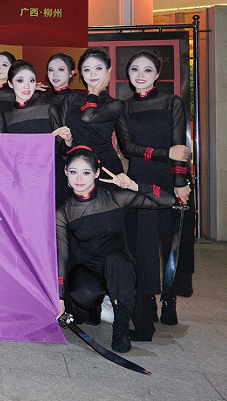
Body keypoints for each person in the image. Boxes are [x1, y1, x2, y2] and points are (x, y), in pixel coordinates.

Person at [57, 147, 184, 353]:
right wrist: (60, 298)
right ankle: (94, 308)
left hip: (120, 266)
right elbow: (62, 257)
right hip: (88, 268)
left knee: (116, 261)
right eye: (73, 172)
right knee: (83, 293)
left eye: (86, 172)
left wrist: (133, 185)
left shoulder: (114, 197)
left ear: (97, 173)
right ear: (66, 173)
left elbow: (168, 201)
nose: (79, 178)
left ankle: (121, 328)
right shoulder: (64, 212)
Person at [115, 50, 193, 339]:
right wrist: (163, 153)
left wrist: (180, 180)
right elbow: (128, 148)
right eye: (135, 69)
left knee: (173, 243)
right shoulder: (123, 108)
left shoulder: (172, 102)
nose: (140, 75)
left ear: (157, 74)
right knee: (143, 246)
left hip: (172, 181)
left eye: (147, 70)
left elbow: (179, 146)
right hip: (140, 183)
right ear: (128, 73)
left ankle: (170, 300)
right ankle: (146, 303)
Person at [3, 60, 71, 205]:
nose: (27, 86)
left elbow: (62, 150)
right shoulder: (4, 116)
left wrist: (68, 141)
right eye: (20, 80)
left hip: (51, 179)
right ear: (10, 84)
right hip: (21, 182)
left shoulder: (48, 110)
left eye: (31, 80)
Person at [59, 48, 125, 174]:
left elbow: (87, 117)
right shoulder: (71, 98)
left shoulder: (115, 104)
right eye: (87, 69)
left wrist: (95, 92)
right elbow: (63, 137)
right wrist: (68, 143)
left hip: (105, 166)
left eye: (98, 68)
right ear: (81, 73)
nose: (93, 74)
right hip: (76, 166)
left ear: (109, 71)